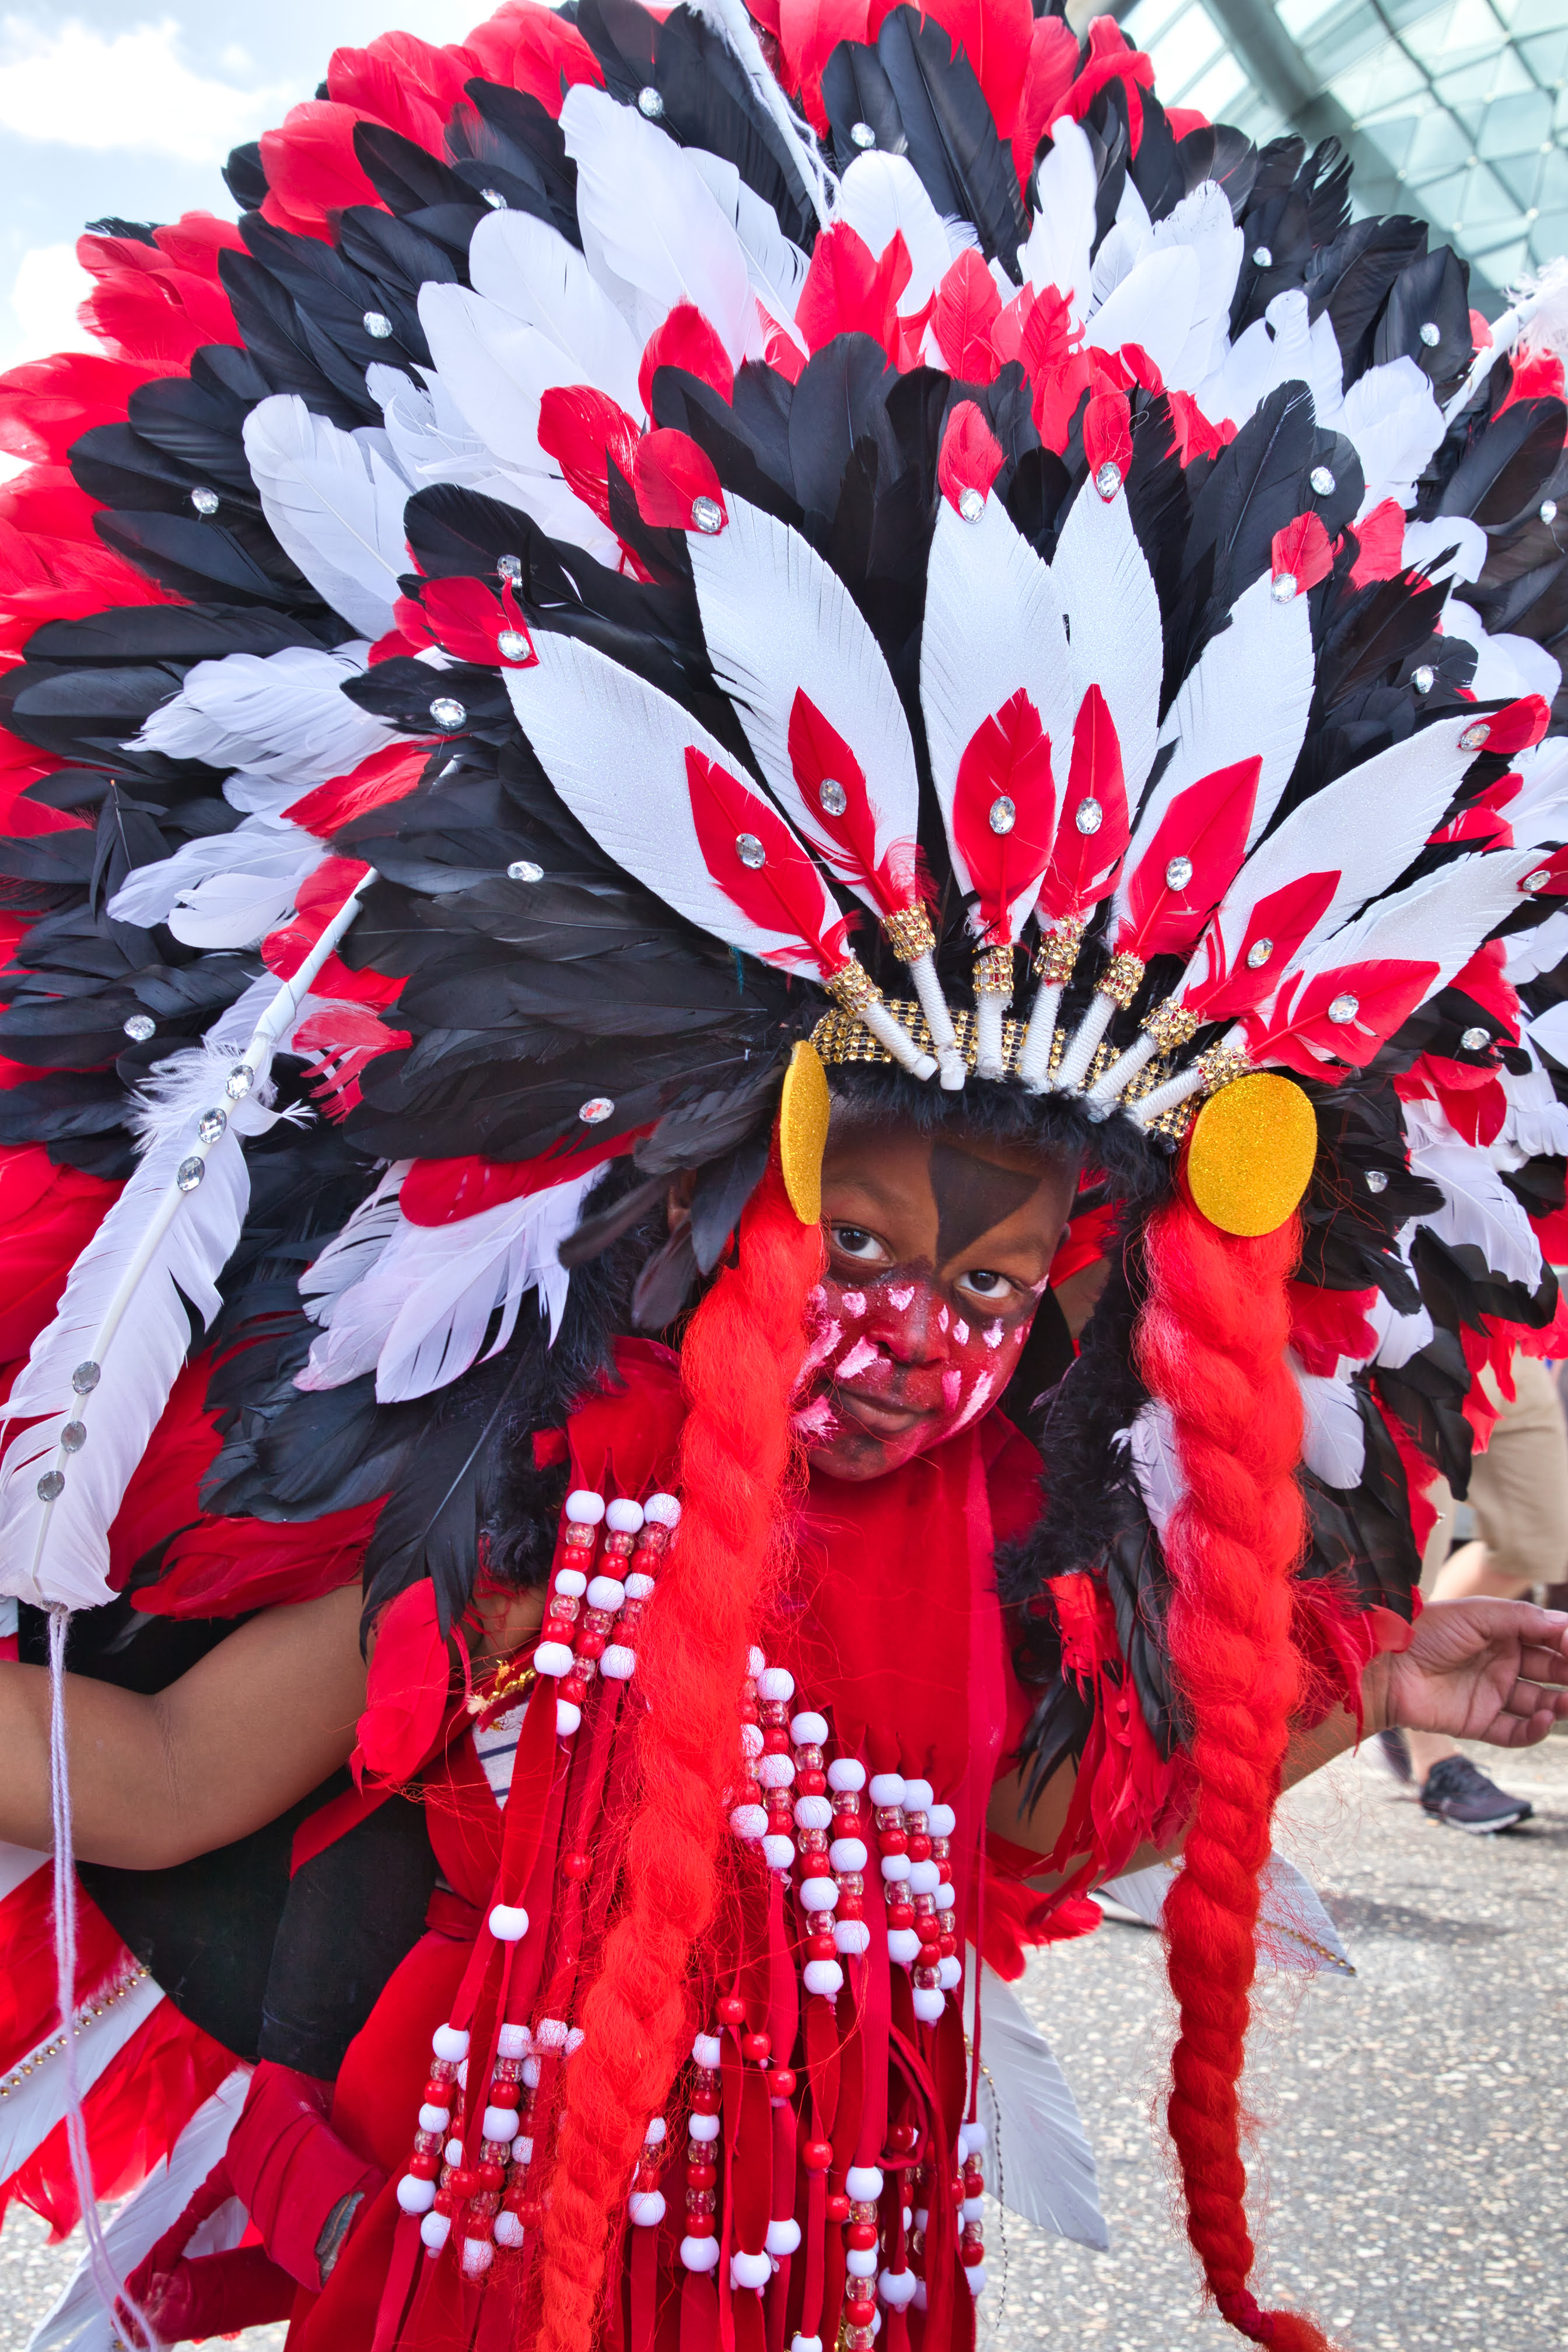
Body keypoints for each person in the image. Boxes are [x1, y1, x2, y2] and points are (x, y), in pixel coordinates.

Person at [3, 4, 1568, 2349]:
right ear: (744, 1205)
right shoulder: (546, 1525)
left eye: (997, 1293)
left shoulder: (993, 1577)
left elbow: (1039, 1851)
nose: (917, 1327)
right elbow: (137, 1788)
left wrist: (1381, 1684)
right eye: (866, 1242)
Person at [1380, 1350, 1568, 1829]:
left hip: (1511, 1342)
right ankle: (1433, 1757)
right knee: (1413, 1569)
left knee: (1543, 1543)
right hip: (1413, 1337)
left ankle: (1403, 1676)